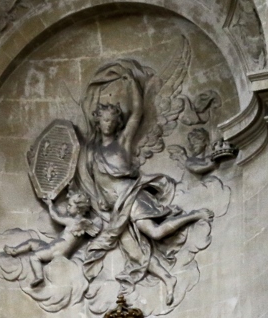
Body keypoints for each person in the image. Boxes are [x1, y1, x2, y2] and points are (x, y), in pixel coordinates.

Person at [75, 61, 213, 304]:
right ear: (98, 122)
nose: (108, 124)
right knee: (135, 254)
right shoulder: (91, 151)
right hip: (113, 210)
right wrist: (98, 199)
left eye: (111, 121)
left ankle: (195, 215)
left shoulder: (123, 142)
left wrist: (131, 84)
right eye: (104, 120)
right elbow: (91, 179)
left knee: (155, 232)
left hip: (131, 197)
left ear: (117, 123)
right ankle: (168, 279)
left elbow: (137, 113)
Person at [3, 188, 101, 287]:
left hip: (56, 250)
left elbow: (56, 217)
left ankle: (39, 276)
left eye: (70, 205)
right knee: (32, 242)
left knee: (34, 256)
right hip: (54, 247)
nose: (67, 208)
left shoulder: (72, 221)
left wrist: (50, 204)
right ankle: (15, 250)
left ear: (79, 209)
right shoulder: (82, 223)